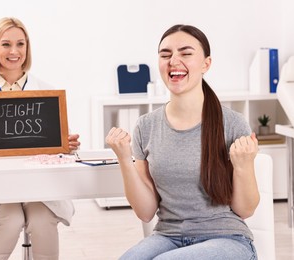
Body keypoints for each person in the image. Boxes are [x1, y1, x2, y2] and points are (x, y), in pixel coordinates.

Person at [105, 24, 259, 260]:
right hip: (168, 236)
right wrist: (125, 160)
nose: (173, 60)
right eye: (165, 54)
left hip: (228, 239)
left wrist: (244, 165)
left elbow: (245, 209)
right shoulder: (146, 127)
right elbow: (146, 213)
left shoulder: (234, 124)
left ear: (206, 64)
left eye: (186, 53)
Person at [0, 17, 80, 260]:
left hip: (39, 186)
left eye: (20, 44)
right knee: (10, 220)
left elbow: (57, 148)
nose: (14, 52)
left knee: (42, 219)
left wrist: (66, 145)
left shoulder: (47, 93)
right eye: (5, 44)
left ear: (27, 47)